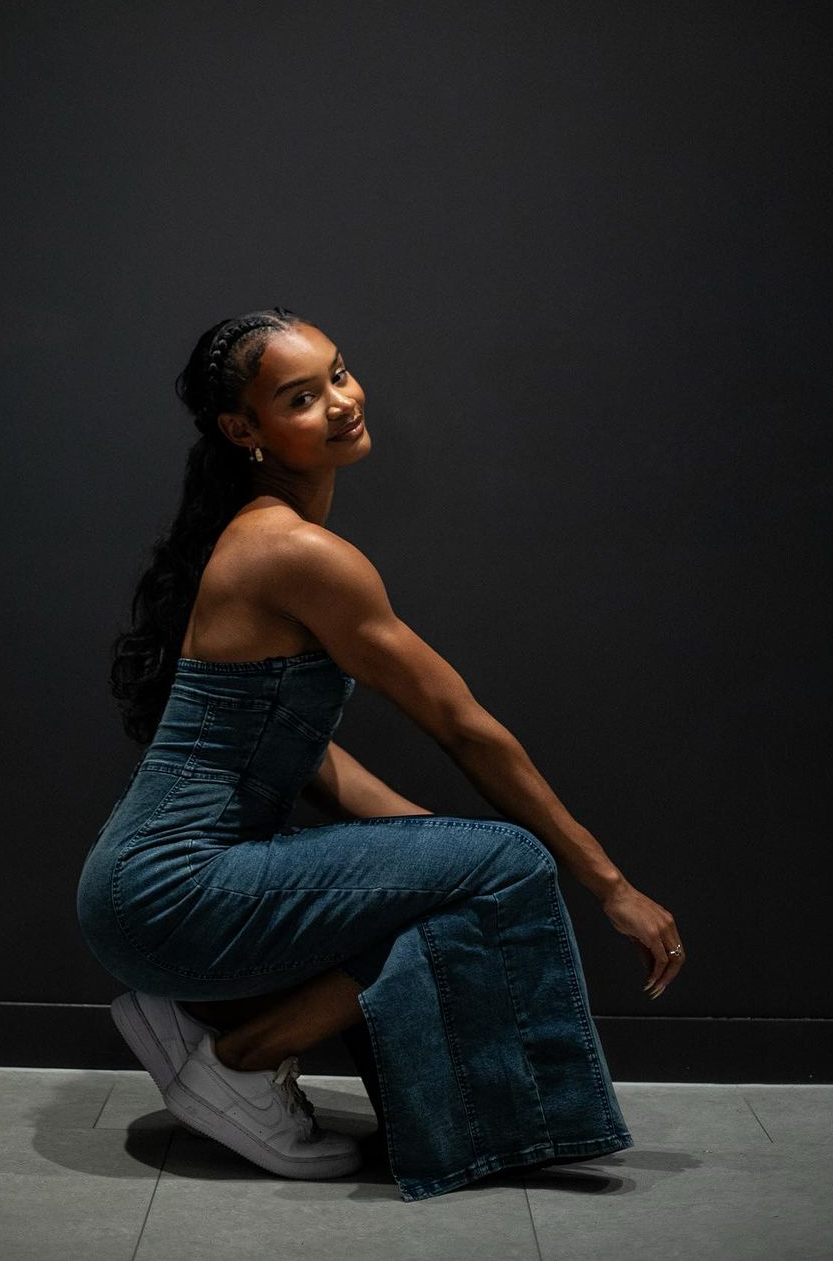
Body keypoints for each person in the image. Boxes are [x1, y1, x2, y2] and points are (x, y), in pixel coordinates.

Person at [76, 306, 685, 1203]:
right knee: (510, 859)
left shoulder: (260, 534)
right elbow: (463, 725)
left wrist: (438, 861)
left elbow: (310, 753)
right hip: (169, 892)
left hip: (147, 887)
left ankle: (248, 1040)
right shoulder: (296, 552)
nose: (341, 401)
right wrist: (611, 885)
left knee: (472, 870)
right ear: (243, 430)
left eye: (338, 372)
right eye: (300, 396)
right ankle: (240, 1059)